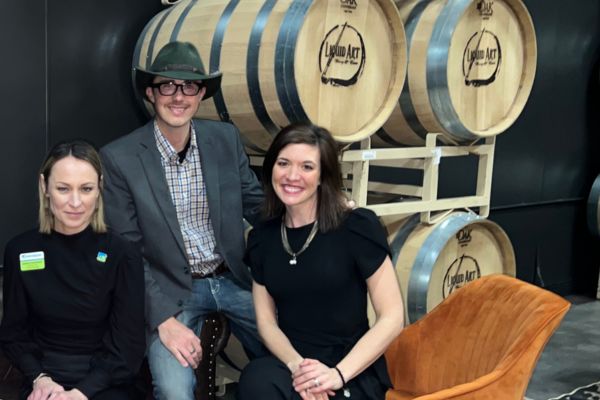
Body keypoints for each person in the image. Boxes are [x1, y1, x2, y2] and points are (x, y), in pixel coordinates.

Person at [99, 41, 264, 400]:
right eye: (167, 85)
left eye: (189, 86)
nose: (178, 95)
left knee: (292, 359)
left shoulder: (225, 139)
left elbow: (258, 206)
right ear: (150, 92)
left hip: (234, 279)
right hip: (171, 292)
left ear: (201, 92)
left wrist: (321, 207)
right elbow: (126, 252)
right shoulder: (119, 158)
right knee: (174, 392)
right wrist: (162, 319)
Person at [238, 123, 405, 400]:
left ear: (322, 176)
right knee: (256, 381)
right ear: (271, 169)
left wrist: (335, 375)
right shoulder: (262, 238)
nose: (292, 176)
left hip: (350, 365)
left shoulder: (356, 227)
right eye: (283, 163)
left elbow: (392, 317)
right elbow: (267, 323)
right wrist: (298, 369)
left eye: (307, 167)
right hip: (293, 362)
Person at [0, 140, 145, 400]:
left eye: (86, 189)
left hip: (105, 382)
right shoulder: (19, 250)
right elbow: (13, 334)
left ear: (99, 188)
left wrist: (79, 394)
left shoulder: (122, 253)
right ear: (45, 187)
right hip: (44, 381)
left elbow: (128, 348)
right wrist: (39, 379)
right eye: (63, 189)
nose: (75, 202)